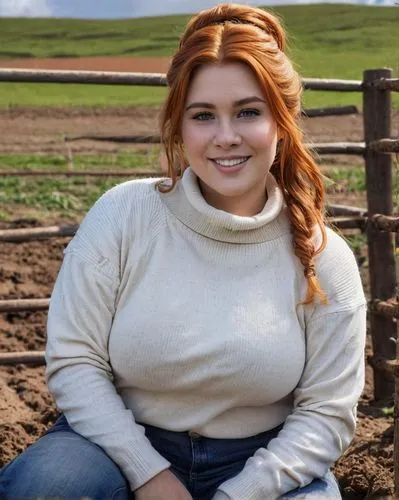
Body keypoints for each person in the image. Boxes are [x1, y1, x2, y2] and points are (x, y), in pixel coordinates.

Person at [0, 3, 366, 499]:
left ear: (282, 122)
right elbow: (76, 359)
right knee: (46, 488)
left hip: (265, 463)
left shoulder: (325, 258)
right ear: (180, 125)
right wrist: (148, 473)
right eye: (203, 116)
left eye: (249, 112)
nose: (226, 136)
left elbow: (326, 413)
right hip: (113, 443)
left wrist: (241, 493)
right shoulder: (125, 215)